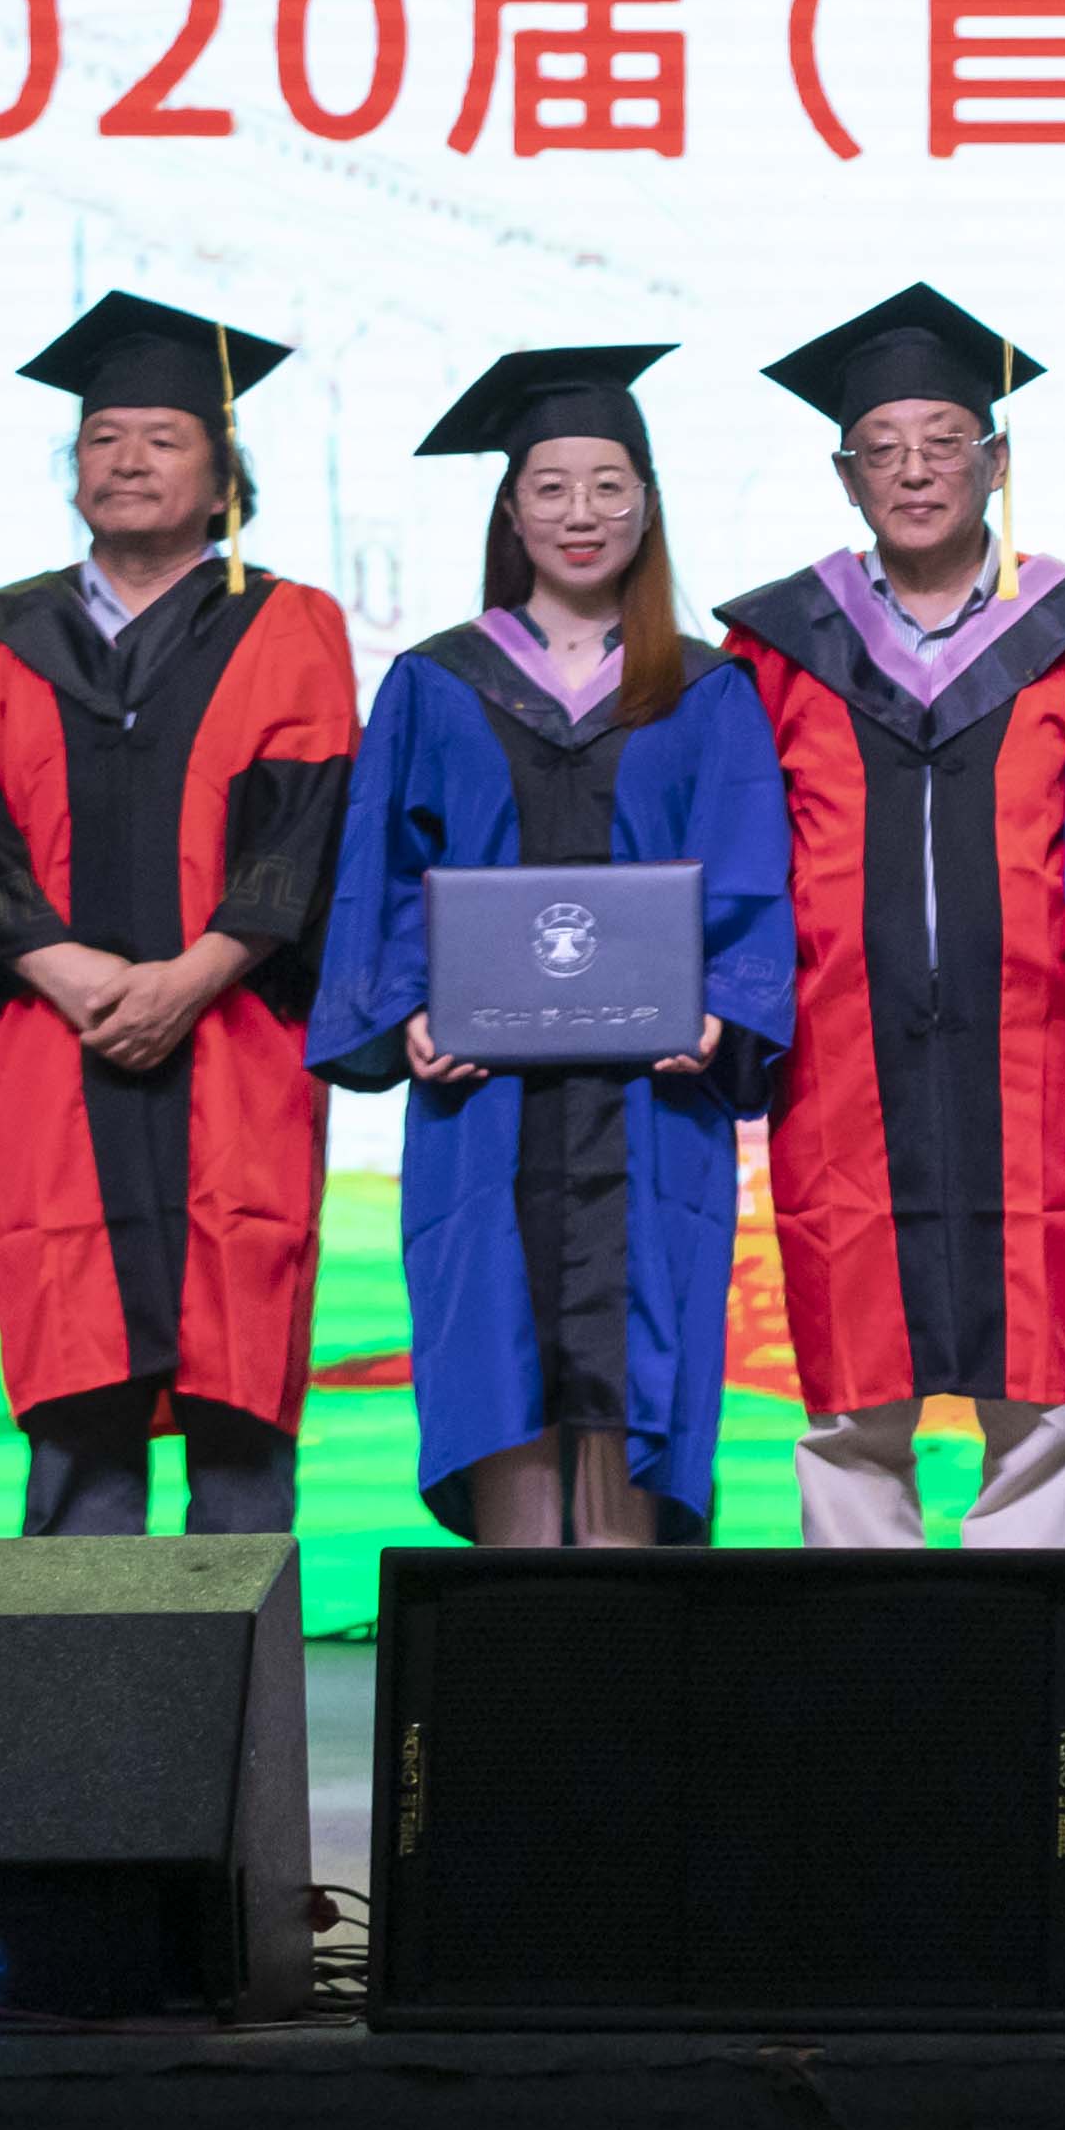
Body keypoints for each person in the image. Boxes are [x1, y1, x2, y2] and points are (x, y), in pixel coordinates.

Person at [306, 346, 797, 1545]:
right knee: (496, 1361)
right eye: (552, 486)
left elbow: (747, 871)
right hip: (484, 1104)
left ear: (648, 506)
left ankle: (627, 1656)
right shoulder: (436, 683)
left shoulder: (707, 690)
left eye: (609, 485)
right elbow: (383, 869)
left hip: (653, 1105)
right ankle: (515, 1648)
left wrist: (721, 1007)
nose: (582, 512)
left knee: (641, 1371)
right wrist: (408, 1008)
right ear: (511, 509)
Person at [0, 294, 358, 1538]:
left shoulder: (289, 623)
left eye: (164, 438)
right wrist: (66, 969)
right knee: (76, 1374)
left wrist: (192, 975)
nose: (128, 460)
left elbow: (308, 820)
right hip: (57, 1038)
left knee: (238, 1381)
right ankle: (69, 1664)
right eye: (103, 438)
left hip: (237, 1038)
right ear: (73, 472)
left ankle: (243, 1667)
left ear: (223, 481)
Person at [717, 284, 1065, 1553]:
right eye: (883, 450)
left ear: (995, 461)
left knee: (1036, 1381)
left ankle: (1022, 1646)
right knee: (853, 1382)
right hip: (841, 1050)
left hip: (1028, 1044)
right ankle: (872, 1653)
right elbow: (737, 854)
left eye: (943, 443)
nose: (913, 472)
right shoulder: (778, 646)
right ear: (845, 475)